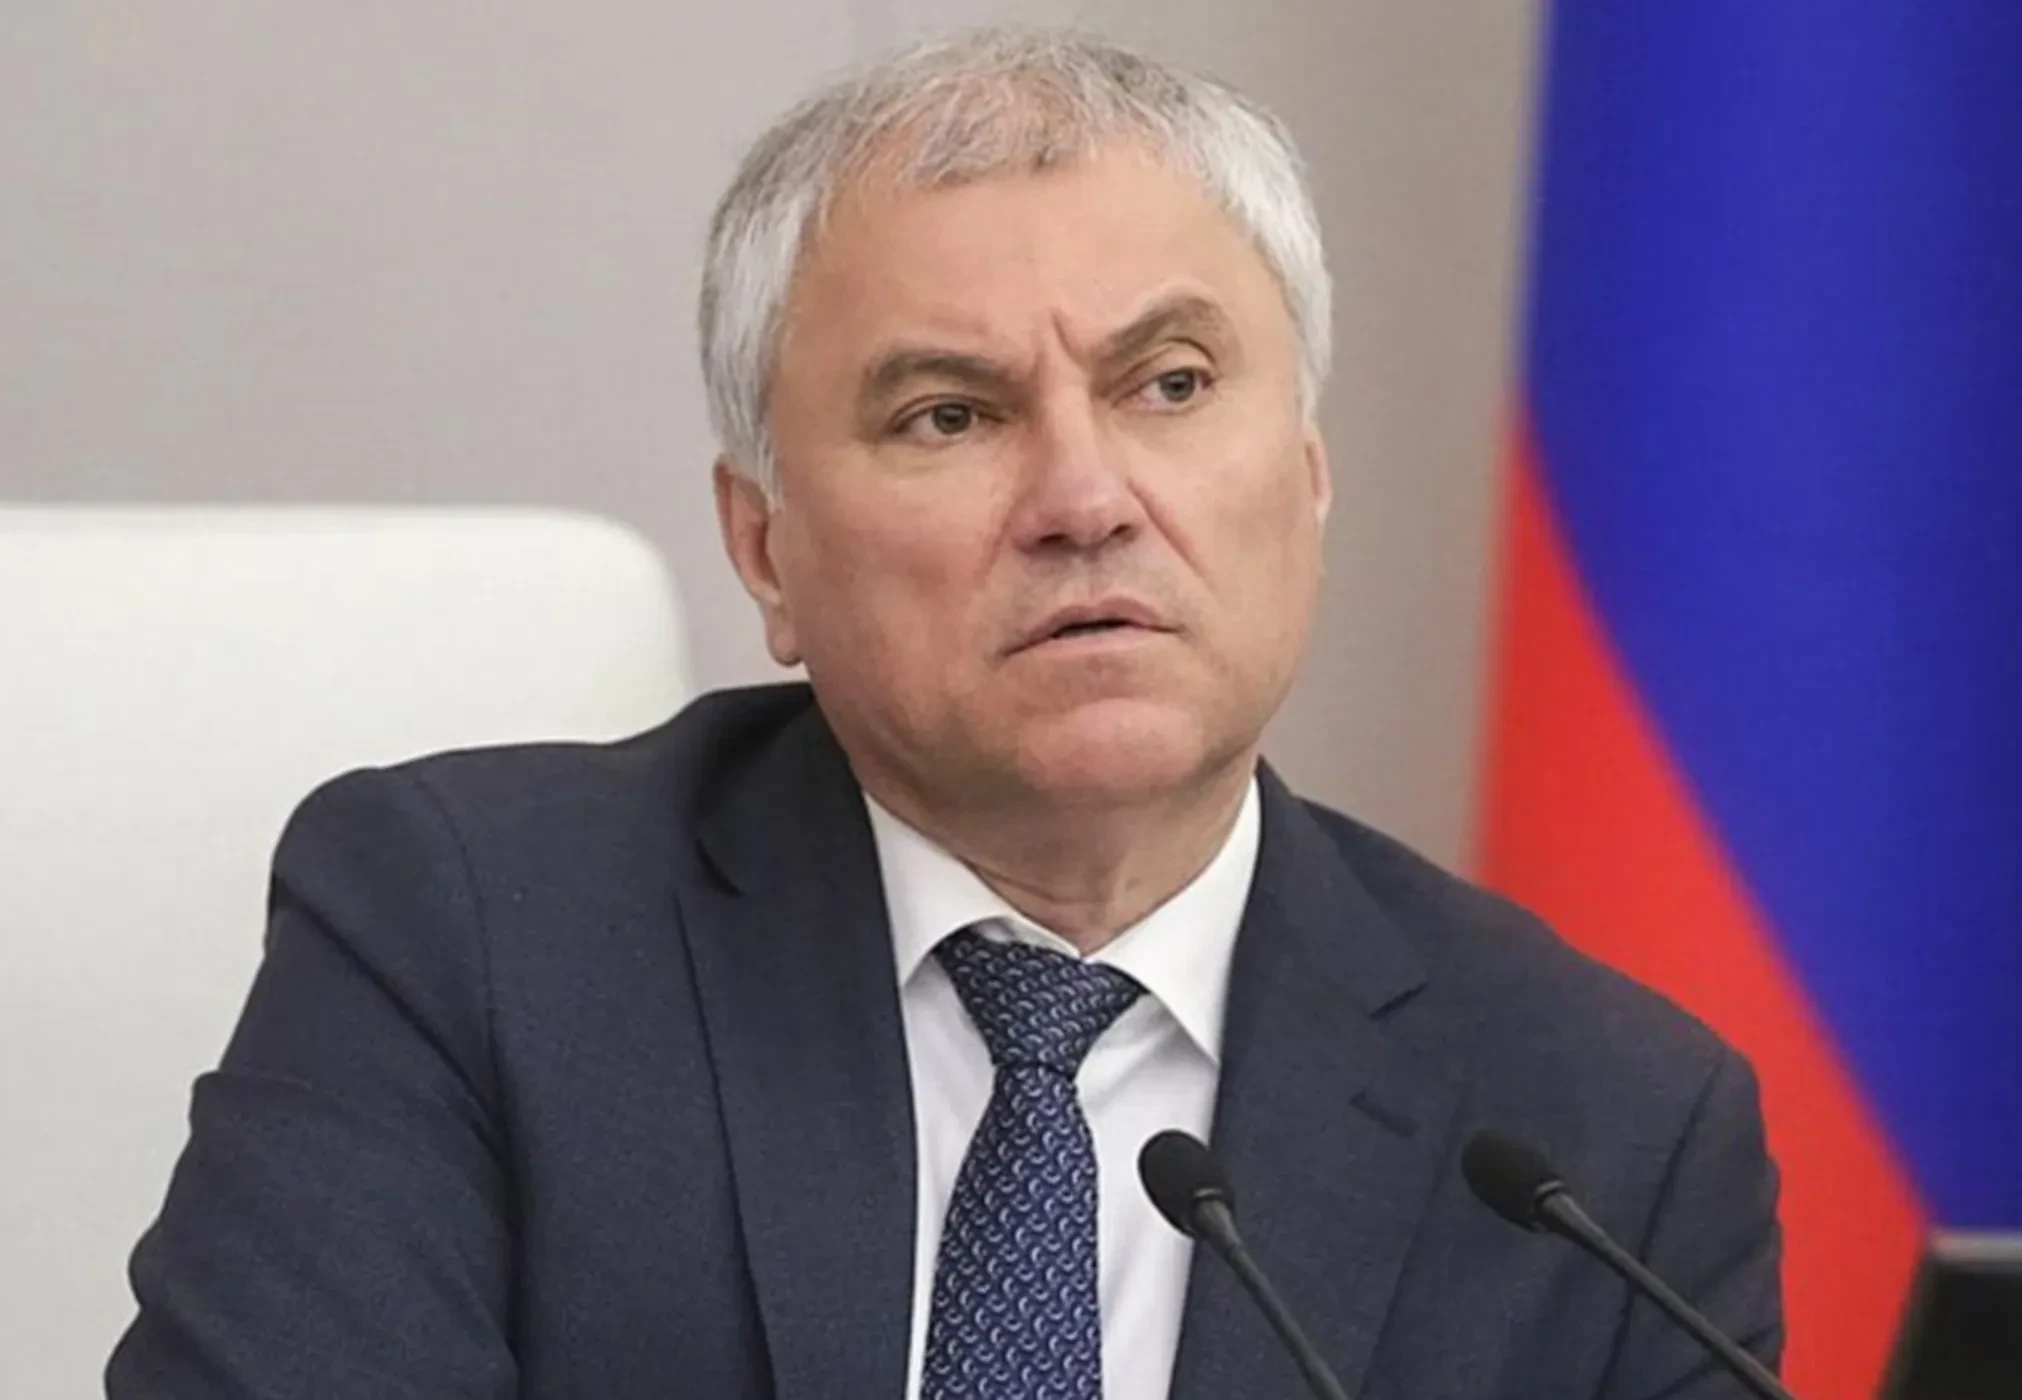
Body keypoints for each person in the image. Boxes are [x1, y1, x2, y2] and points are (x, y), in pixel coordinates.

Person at [107, 28, 1781, 1400]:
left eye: (1170, 384)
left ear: (1308, 475)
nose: (1085, 498)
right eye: (947, 415)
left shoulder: (1594, 1138)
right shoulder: (467, 941)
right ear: (766, 548)